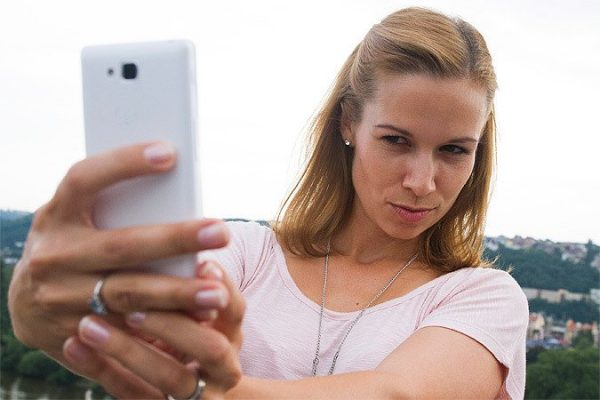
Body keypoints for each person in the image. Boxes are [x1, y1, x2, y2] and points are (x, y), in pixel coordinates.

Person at [8, 7, 529, 400]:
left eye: (454, 151)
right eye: (396, 140)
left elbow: (395, 393)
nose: (421, 181)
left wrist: (206, 391)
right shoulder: (247, 252)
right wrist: (43, 313)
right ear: (348, 124)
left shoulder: (481, 297)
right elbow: (144, 324)